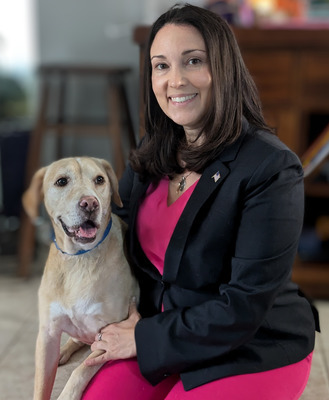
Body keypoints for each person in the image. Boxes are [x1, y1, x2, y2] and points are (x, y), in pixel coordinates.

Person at [82, 4, 318, 399]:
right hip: (162, 330)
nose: (174, 80)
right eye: (161, 66)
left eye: (192, 61)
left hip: (252, 343)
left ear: (223, 69)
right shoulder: (152, 150)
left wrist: (143, 337)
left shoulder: (272, 168)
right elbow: (115, 238)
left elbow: (243, 306)